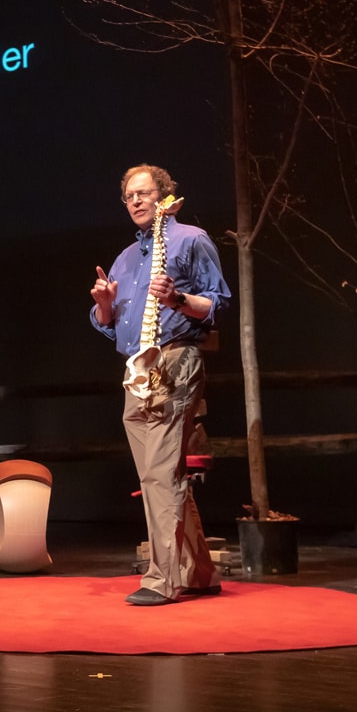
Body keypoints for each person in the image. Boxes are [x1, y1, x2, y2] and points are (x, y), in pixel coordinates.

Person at [89, 164, 231, 605]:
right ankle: (200, 572)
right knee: (157, 475)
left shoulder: (191, 239)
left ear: (164, 195)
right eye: (129, 194)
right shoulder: (125, 259)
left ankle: (163, 579)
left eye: (144, 192)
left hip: (174, 361)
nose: (135, 200)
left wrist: (177, 299)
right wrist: (105, 306)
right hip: (136, 372)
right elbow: (108, 326)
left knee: (160, 473)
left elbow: (216, 303)